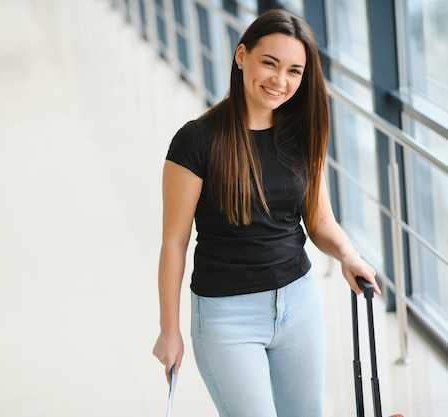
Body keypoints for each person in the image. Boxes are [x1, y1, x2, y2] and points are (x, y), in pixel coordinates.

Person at [152, 8, 379, 417]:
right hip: (226, 317)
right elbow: (175, 241)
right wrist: (169, 329)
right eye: (269, 63)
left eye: (294, 70)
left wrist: (348, 253)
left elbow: (320, 220)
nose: (280, 81)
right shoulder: (195, 141)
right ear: (242, 56)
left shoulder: (302, 133)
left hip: (298, 305)